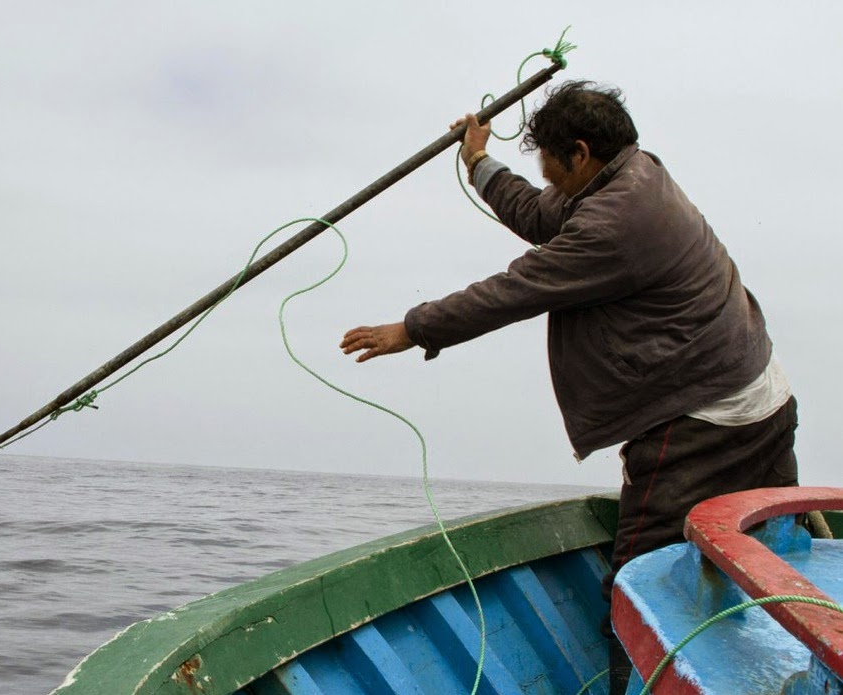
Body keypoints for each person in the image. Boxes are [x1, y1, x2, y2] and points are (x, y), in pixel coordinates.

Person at [339, 81, 797, 695]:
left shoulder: (614, 222)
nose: (546, 177)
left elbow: (515, 291)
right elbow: (539, 214)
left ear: (579, 153)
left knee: (642, 590)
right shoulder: (633, 176)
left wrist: (410, 328)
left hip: (703, 424)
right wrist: (478, 163)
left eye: (549, 163)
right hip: (761, 397)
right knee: (754, 568)